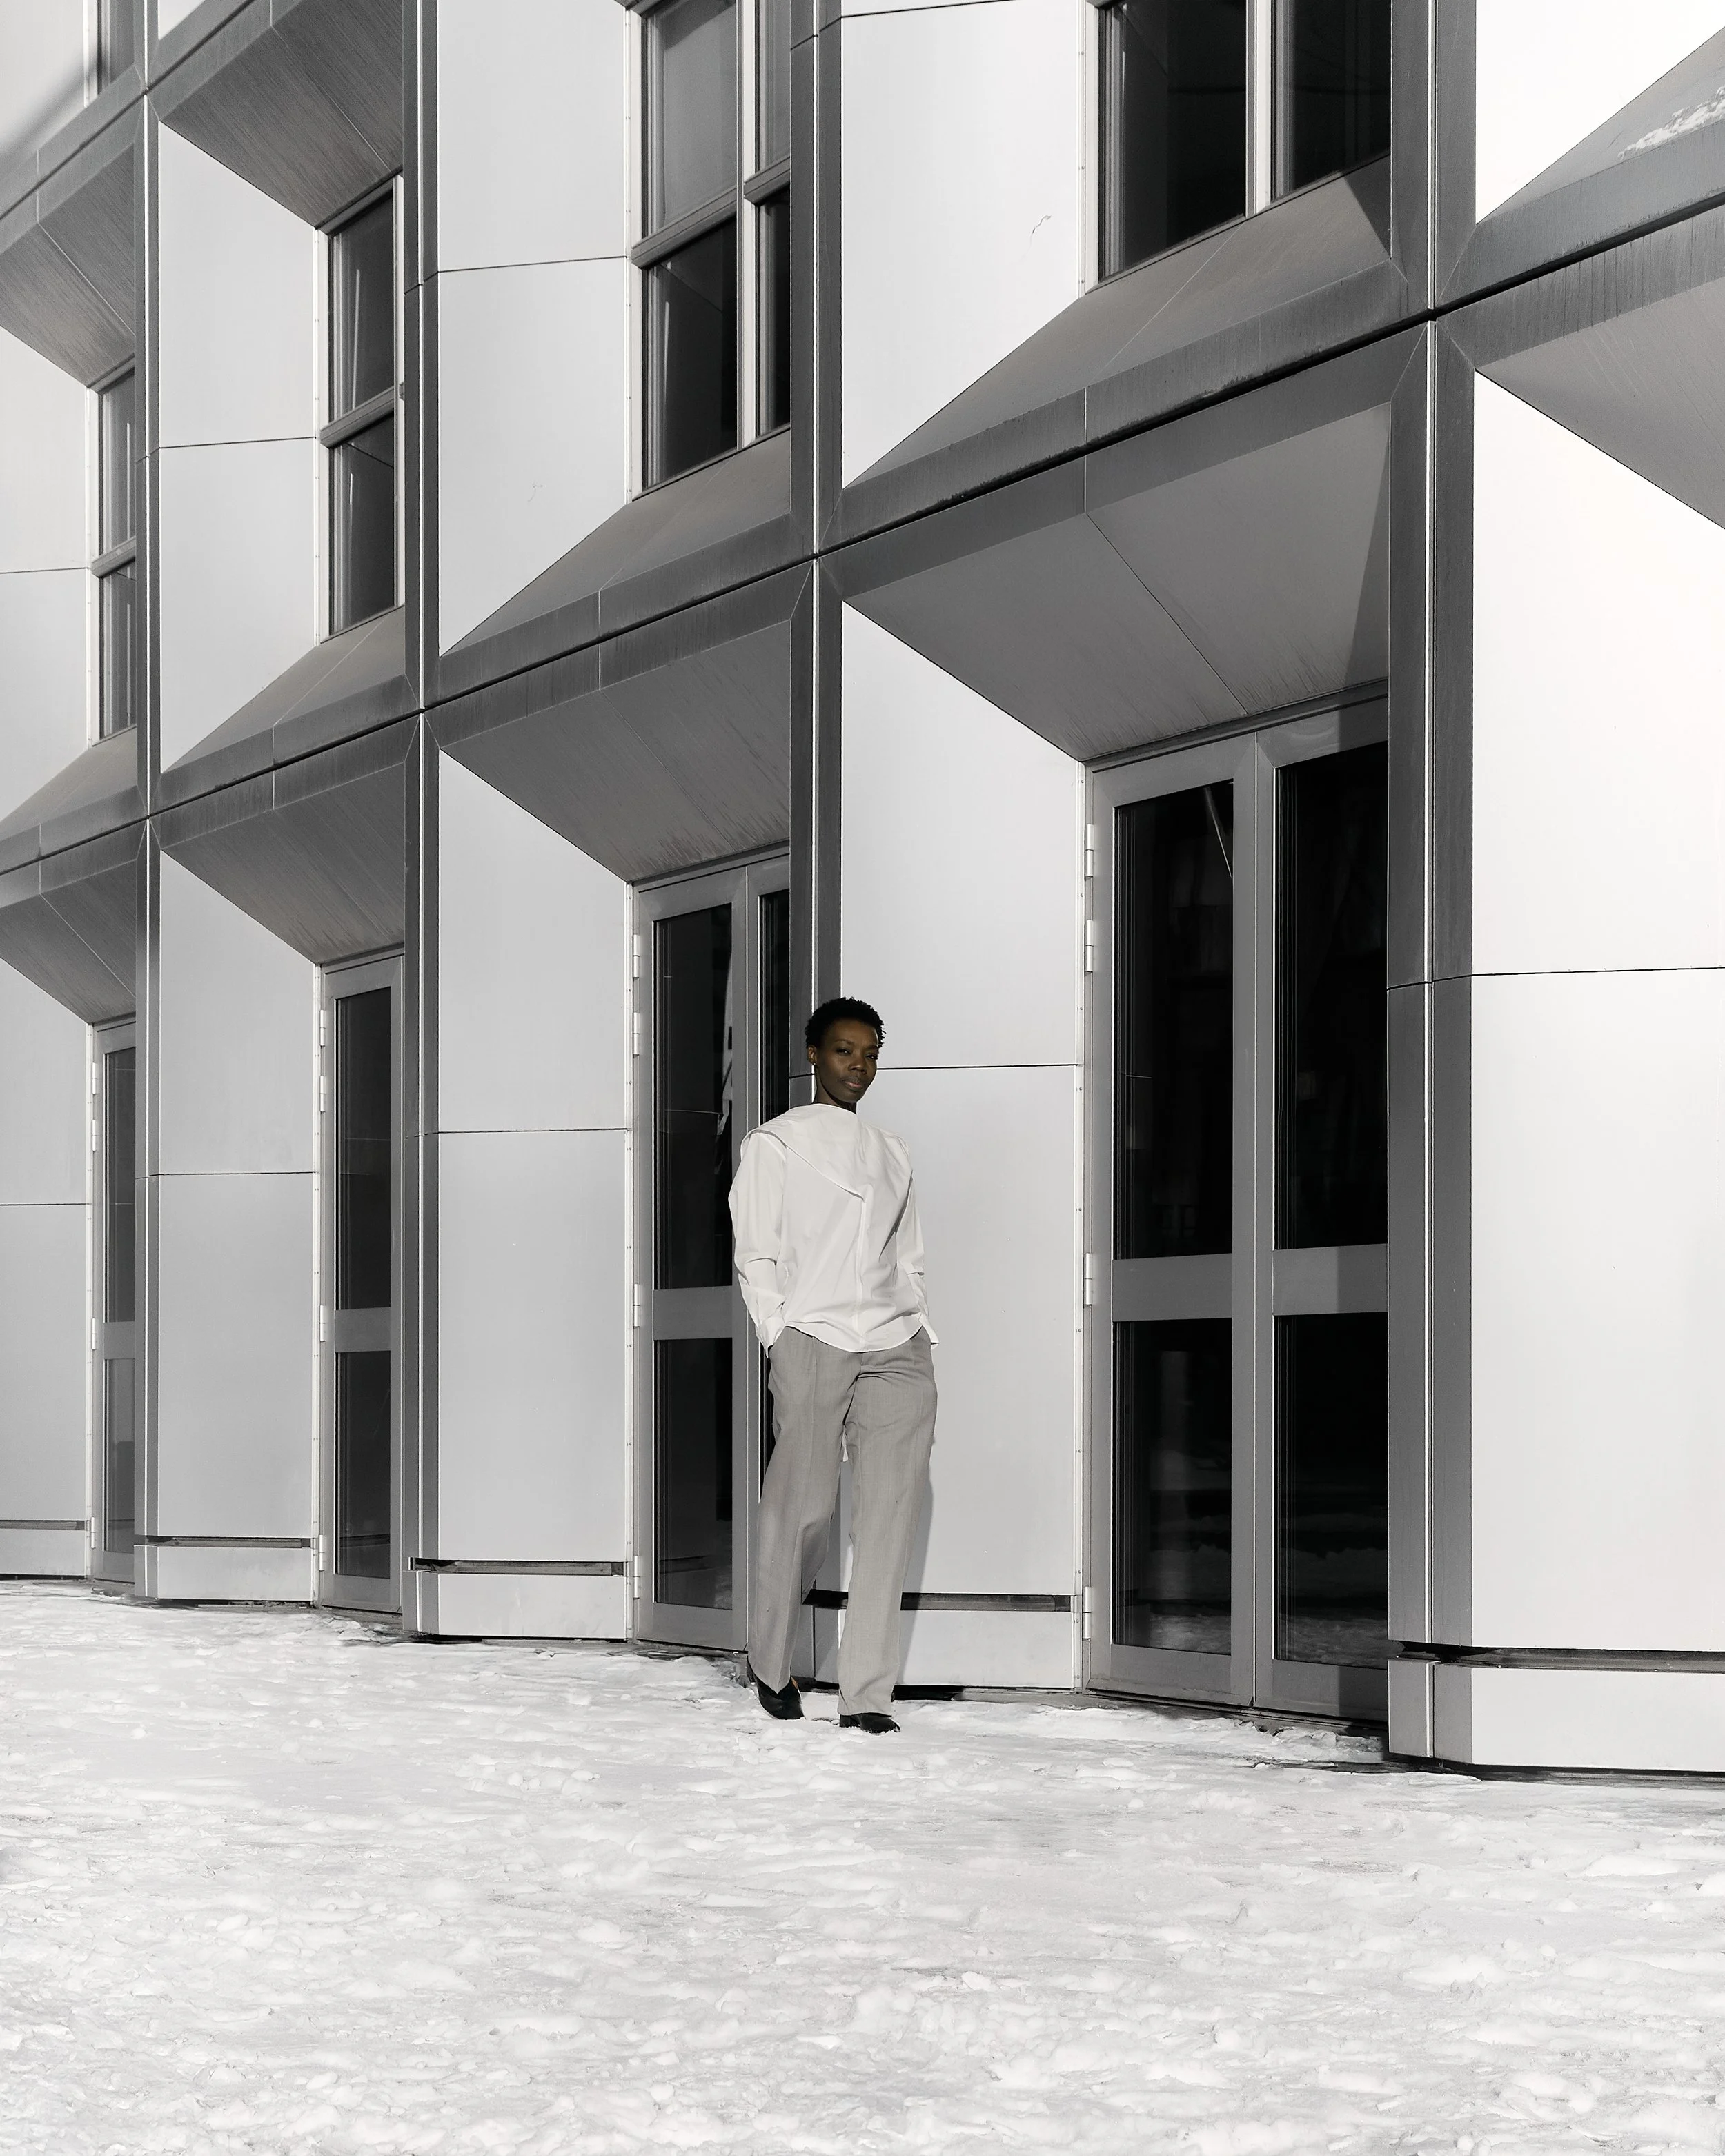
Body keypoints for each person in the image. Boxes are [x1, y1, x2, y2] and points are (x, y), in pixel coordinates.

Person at [728, 997, 937, 1734]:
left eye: (871, 1052)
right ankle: (770, 1659)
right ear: (813, 1054)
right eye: (845, 1050)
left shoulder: (891, 1148)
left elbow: (907, 1251)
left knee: (888, 1516)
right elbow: (755, 1249)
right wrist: (778, 1332)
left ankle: (867, 1695)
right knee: (804, 1506)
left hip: (896, 1343)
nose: (859, 1065)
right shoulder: (776, 1142)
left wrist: (915, 1317)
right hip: (813, 1336)